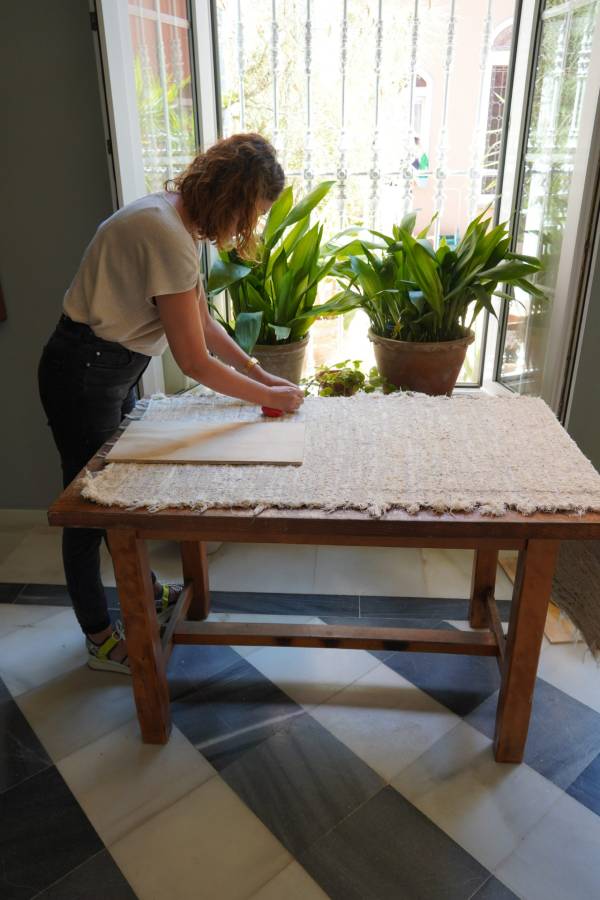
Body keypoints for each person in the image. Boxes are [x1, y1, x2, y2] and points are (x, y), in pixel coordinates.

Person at [38, 133, 304, 675]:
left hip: (108, 364)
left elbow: (203, 324)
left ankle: (149, 591)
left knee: (117, 493)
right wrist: (266, 396)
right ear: (231, 197)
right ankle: (99, 637)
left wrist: (259, 373)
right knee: (88, 508)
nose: (246, 228)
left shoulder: (174, 219)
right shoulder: (164, 233)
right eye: (250, 214)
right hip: (85, 371)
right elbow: (195, 361)